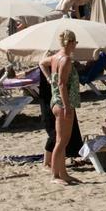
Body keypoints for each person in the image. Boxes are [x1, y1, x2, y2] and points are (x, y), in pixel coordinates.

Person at [39, 30, 82, 185]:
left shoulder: (56, 57)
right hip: (62, 103)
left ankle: (63, 173)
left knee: (62, 140)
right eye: (75, 43)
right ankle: (55, 176)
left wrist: (49, 78)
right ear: (70, 42)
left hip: (57, 101)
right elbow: (62, 84)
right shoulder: (65, 60)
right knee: (61, 141)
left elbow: (41, 62)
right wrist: (66, 106)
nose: (76, 45)